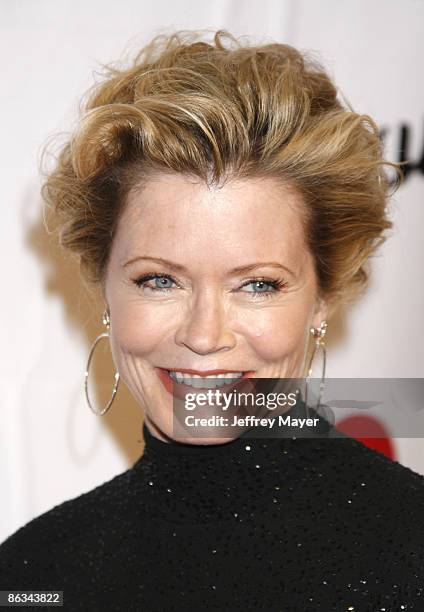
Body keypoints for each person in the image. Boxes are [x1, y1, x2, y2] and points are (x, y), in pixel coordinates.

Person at [1, 28, 423, 611]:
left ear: (323, 296)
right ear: (103, 288)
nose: (203, 335)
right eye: (159, 280)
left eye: (257, 284)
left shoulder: (411, 551)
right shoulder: (35, 570)